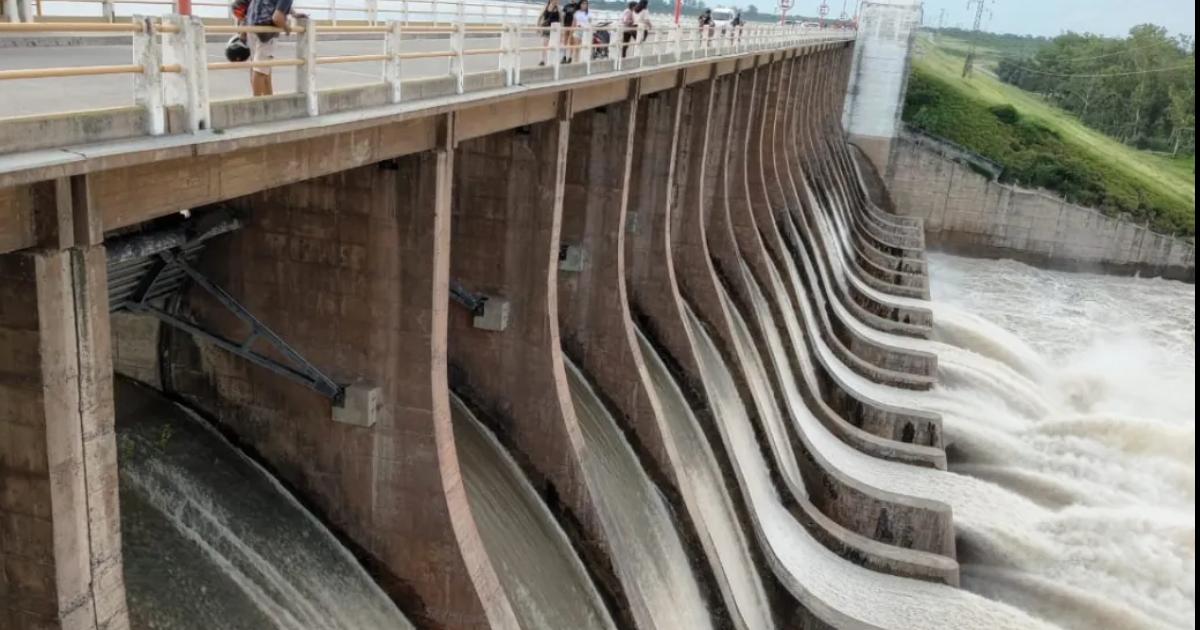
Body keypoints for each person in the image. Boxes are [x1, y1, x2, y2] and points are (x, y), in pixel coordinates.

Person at [245, 0, 305, 96]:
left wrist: (293, 13)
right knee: (260, 71)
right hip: (265, 31)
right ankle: (257, 103)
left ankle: (269, 101)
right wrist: (287, 28)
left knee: (263, 69)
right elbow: (277, 18)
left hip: (251, 26)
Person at [537, 0, 561, 66]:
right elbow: (540, 17)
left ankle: (550, 61)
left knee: (552, 46)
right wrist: (538, 26)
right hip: (546, 29)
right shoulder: (546, 7)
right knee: (544, 44)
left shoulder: (558, 8)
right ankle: (542, 60)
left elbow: (561, 19)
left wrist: (562, 30)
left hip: (555, 31)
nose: (557, 1)